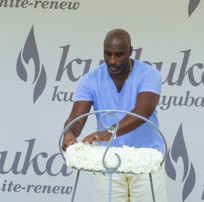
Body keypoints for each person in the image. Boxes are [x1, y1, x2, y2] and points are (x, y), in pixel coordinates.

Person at [62, 28, 168, 202]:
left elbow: (143, 112)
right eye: (107, 54)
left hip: (147, 159)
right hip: (107, 161)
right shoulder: (90, 80)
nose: (112, 60)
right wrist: (69, 133)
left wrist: (110, 132)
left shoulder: (149, 75)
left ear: (130, 52)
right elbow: (77, 118)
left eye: (119, 55)